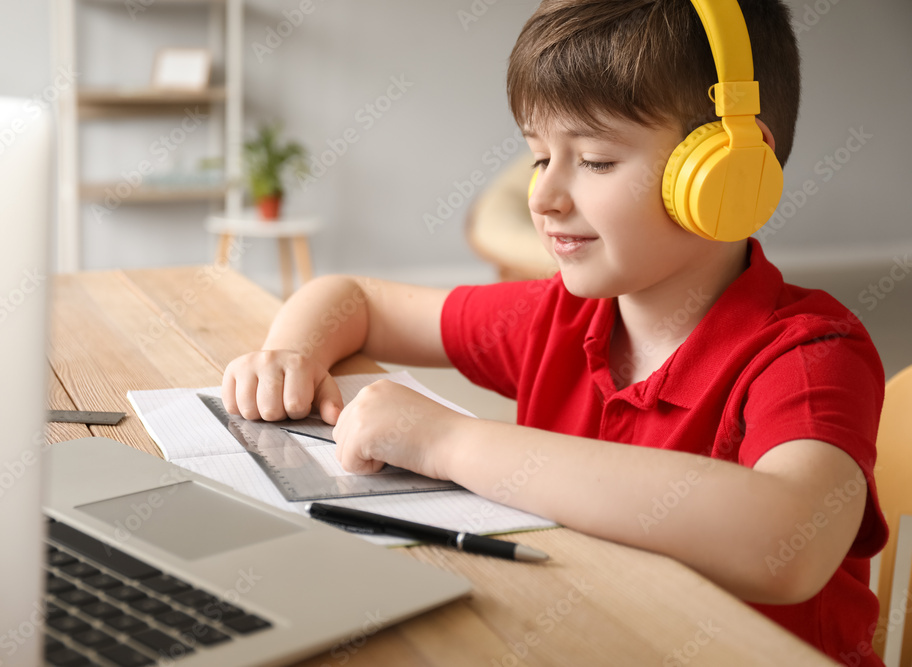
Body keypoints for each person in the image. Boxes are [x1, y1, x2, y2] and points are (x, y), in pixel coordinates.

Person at [222, 1, 888, 662]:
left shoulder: (808, 353)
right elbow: (353, 298)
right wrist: (291, 352)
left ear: (731, 169)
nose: (543, 196)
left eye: (595, 160)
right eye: (540, 157)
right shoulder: (554, 319)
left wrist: (449, 440)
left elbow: (790, 539)